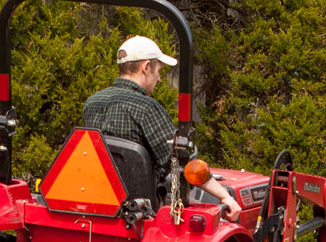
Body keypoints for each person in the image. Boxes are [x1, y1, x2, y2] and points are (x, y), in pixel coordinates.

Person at [82, 35, 242, 221]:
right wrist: (225, 196)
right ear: (146, 67)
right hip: (139, 213)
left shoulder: (92, 103)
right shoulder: (146, 108)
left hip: (98, 204)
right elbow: (183, 163)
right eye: (159, 71)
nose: (158, 79)